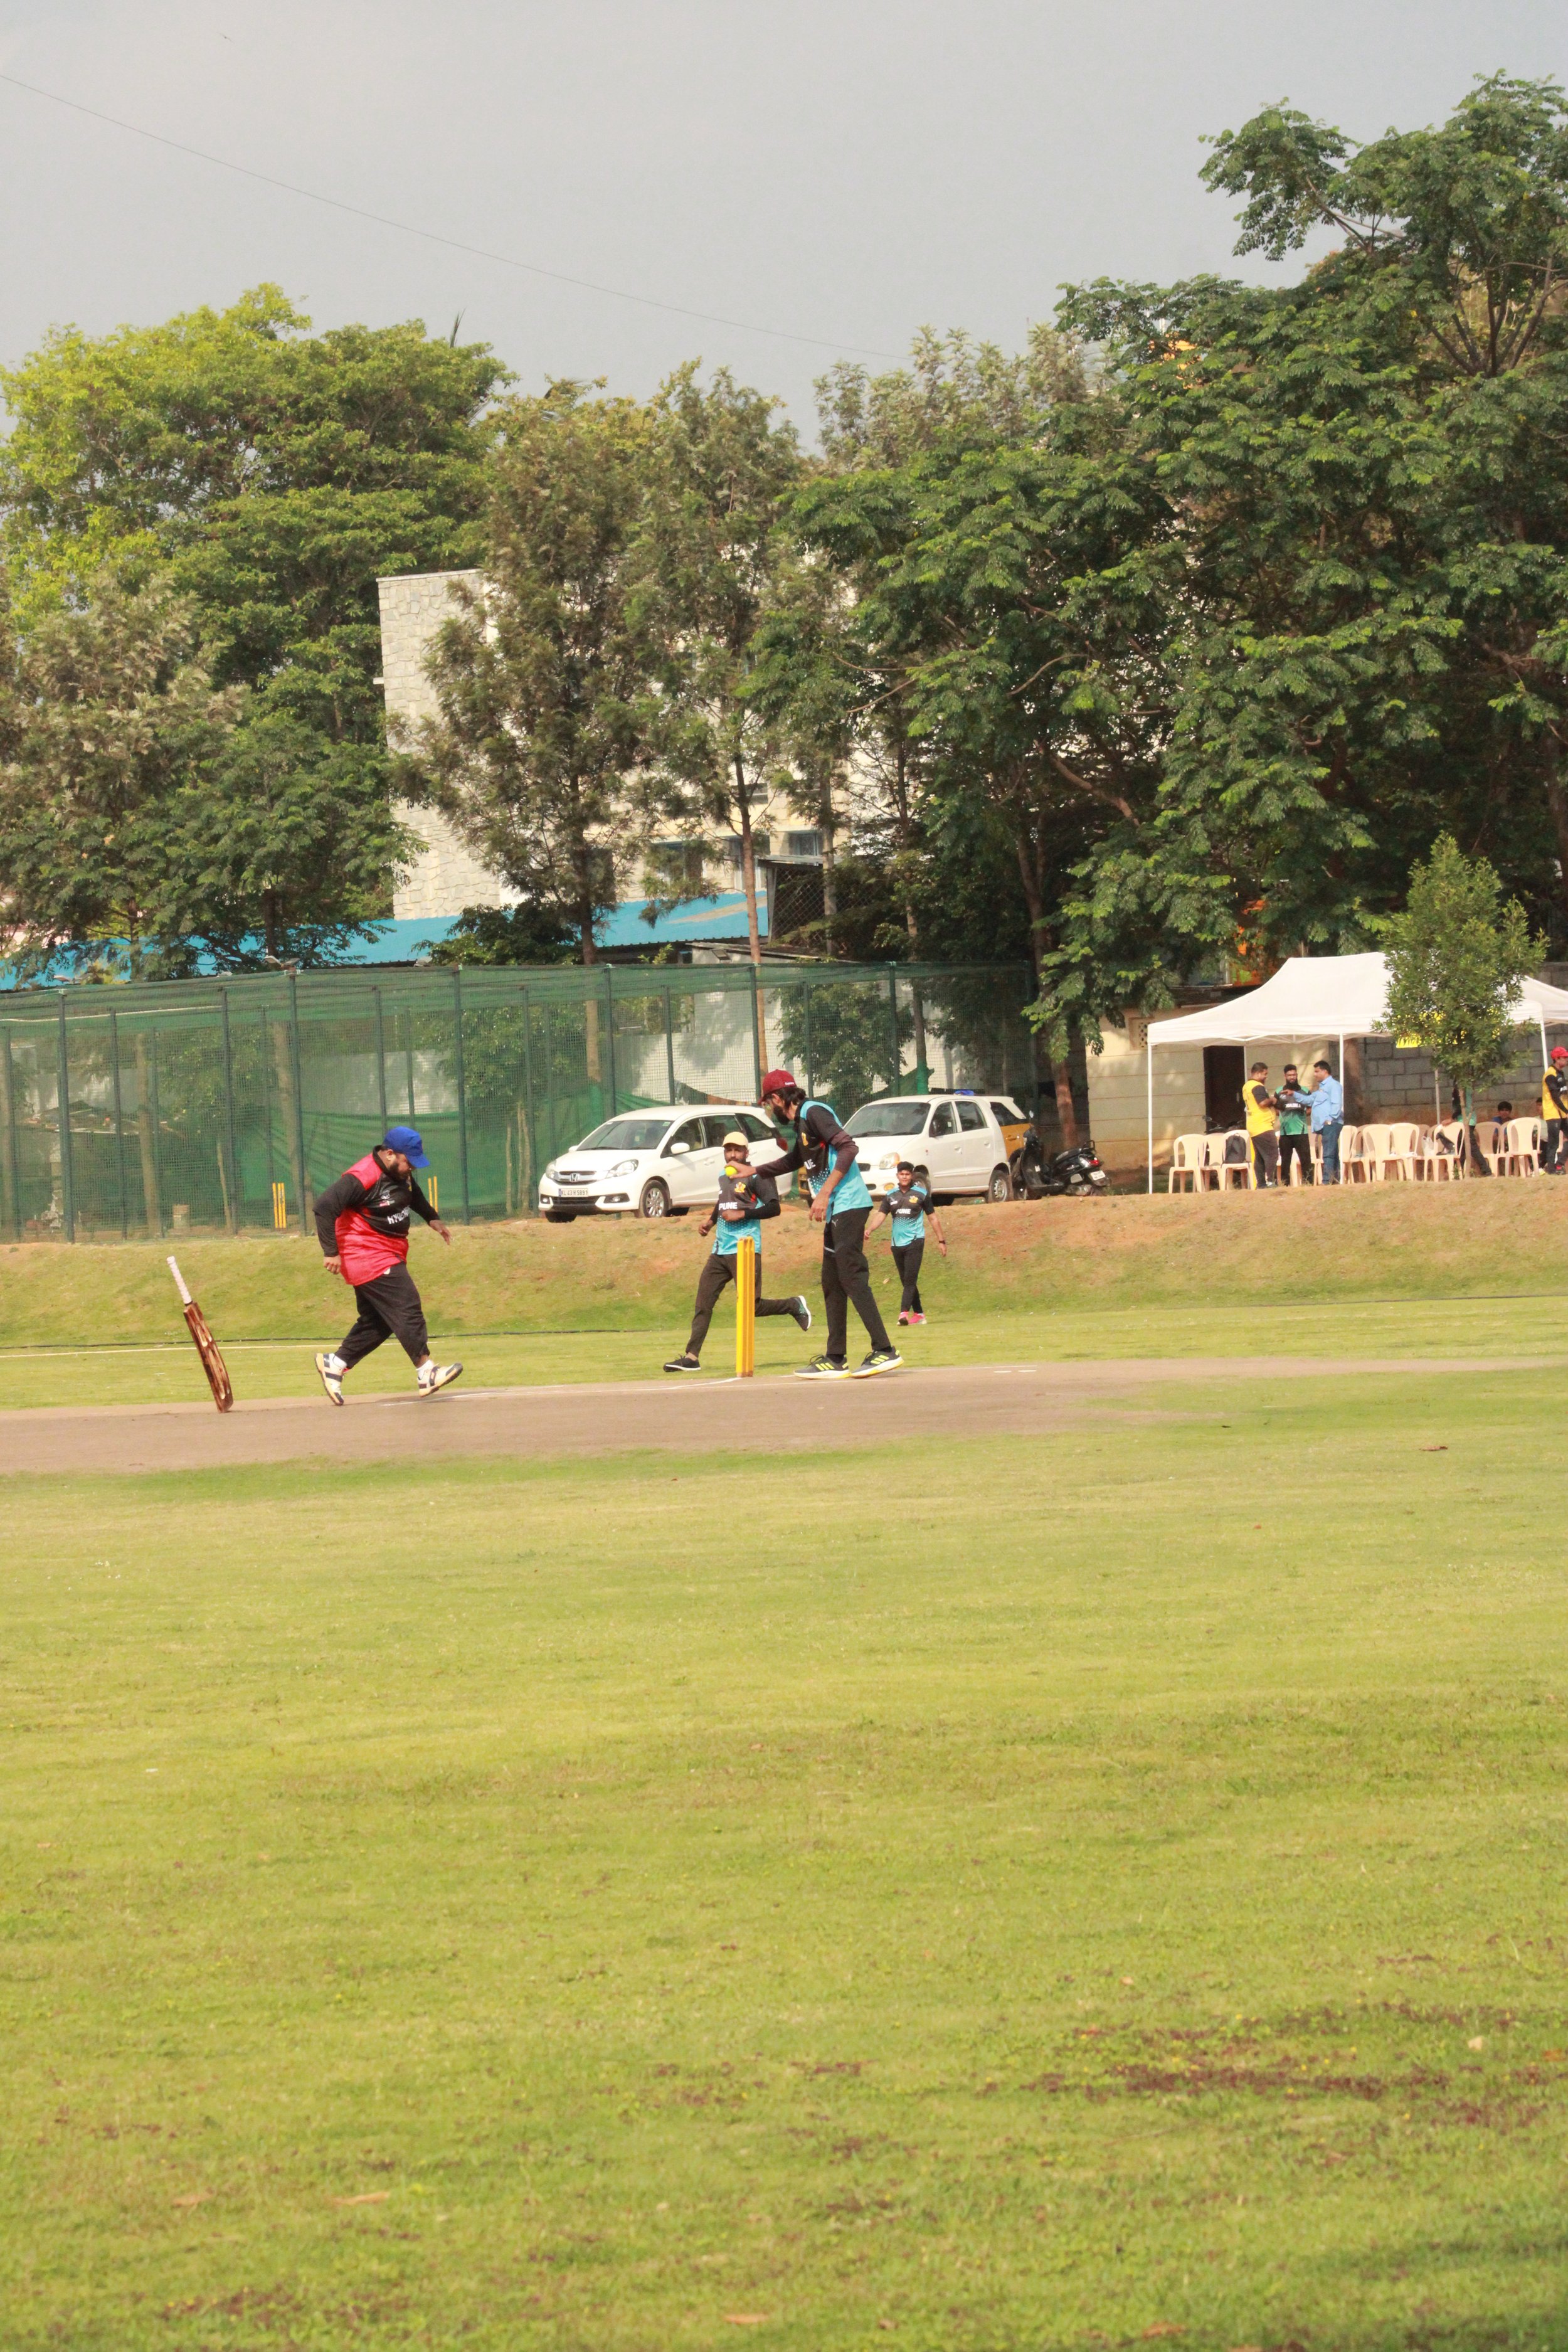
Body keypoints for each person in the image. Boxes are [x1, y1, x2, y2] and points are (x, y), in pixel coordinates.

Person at [750, 1069, 902, 1378]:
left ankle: (885, 1350)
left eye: (768, 1104)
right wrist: (752, 1172)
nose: (769, 1110)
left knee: (851, 1275)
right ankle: (836, 1357)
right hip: (837, 1210)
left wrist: (825, 1193)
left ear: (778, 1098)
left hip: (849, 1204)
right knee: (831, 1282)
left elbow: (848, 1148)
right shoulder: (803, 1122)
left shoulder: (814, 1112)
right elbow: (795, 1160)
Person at [312, 1125, 462, 1403]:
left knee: (379, 1321)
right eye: (409, 1162)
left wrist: (432, 1217)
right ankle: (426, 1372)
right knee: (407, 1303)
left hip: (386, 1251)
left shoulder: (399, 1173)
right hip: (365, 1253)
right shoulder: (362, 1176)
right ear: (390, 1154)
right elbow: (324, 1206)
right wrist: (330, 1252)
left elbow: (411, 1193)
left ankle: (336, 1363)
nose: (412, 1169)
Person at [663, 1132, 811, 1372]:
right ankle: (691, 1357)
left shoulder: (757, 1176)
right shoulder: (724, 1176)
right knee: (703, 1303)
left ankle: (794, 1305)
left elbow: (774, 1208)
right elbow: (723, 1203)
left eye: (737, 1150)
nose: (732, 1155)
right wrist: (710, 1223)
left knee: (751, 1307)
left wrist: (742, 1214)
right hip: (720, 1251)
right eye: (728, 1150)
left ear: (746, 1152)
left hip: (746, 1249)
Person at [868, 1160, 946, 1325]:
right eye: (902, 1174)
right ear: (897, 1175)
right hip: (897, 1244)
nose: (904, 1177)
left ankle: (903, 1314)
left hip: (915, 1240)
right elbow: (881, 1214)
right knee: (906, 1280)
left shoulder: (921, 1194)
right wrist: (870, 1229)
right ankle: (919, 1314)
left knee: (910, 1280)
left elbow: (933, 1218)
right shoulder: (891, 1195)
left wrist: (941, 1240)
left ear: (912, 1176)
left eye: (907, 1174)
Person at [1242, 1062, 1279, 1188]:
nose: (1266, 1077)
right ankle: (1270, 1181)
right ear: (1258, 1073)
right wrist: (1273, 1100)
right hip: (1262, 1125)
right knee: (1272, 1153)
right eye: (1265, 1074)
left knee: (1259, 1156)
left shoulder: (1246, 1086)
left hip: (1253, 1125)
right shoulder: (1257, 1086)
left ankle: (1261, 1183)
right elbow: (1262, 1103)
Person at [1275, 1065, 1314, 1187]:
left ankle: (1308, 1183)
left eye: (1294, 1075)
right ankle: (1285, 1185)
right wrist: (1282, 1112)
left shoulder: (1305, 1091)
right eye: (1289, 1075)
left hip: (1301, 1132)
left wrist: (1303, 1112)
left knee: (1306, 1161)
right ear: (1285, 1076)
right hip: (1286, 1132)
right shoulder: (1279, 1091)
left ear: (1297, 1075)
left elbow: (1311, 1107)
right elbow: (1275, 1108)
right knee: (1285, 1162)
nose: (1292, 1077)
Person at [1309, 1059, 1344, 1184]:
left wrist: (1329, 1120)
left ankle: (1326, 1180)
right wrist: (1294, 1095)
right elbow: (1309, 1100)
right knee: (1333, 1152)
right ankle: (1335, 1179)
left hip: (1332, 1124)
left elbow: (1337, 1104)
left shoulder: (1333, 1085)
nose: (1315, 1074)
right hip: (1328, 1124)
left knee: (1328, 1153)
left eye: (1317, 1071)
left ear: (1325, 1071)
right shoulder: (1322, 1088)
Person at [1542, 1049, 1568, 1171]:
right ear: (1557, 1059)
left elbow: (1563, 1095)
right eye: (1564, 1057)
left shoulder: (1560, 1073)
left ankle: (1560, 1164)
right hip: (1553, 1114)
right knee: (1554, 1144)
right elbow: (1555, 1096)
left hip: (1562, 1113)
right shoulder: (1550, 1074)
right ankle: (1551, 1169)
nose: (1566, 1060)